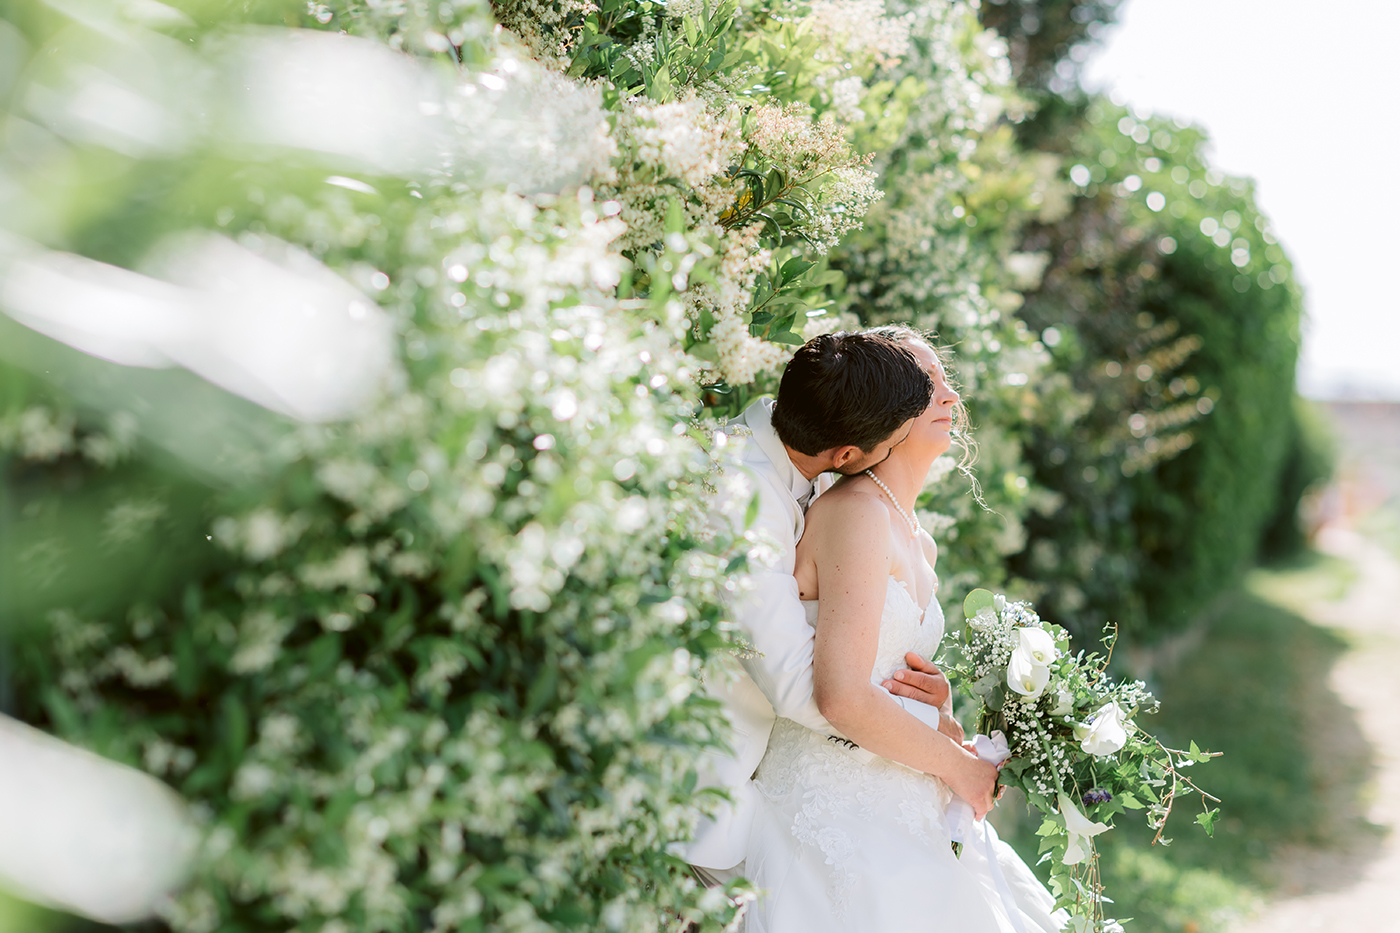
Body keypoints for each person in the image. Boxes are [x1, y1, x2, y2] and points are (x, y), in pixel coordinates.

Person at [742, 329, 1065, 932]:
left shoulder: (919, 539)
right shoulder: (855, 515)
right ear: (882, 421)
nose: (948, 396)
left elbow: (880, 670)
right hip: (834, 812)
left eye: (944, 380)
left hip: (904, 793)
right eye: (927, 385)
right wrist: (956, 764)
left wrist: (938, 707)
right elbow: (840, 694)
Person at [684, 331, 965, 885]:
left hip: (801, 786)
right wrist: (936, 744)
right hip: (699, 781)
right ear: (845, 457)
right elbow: (805, 687)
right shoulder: (739, 492)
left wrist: (932, 710)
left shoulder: (797, 461)